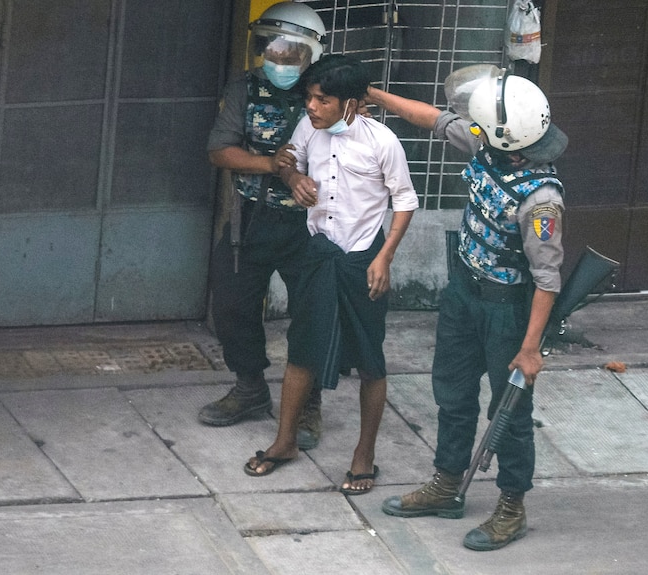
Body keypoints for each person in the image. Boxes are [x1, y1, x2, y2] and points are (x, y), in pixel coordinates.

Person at [363, 66, 568, 550]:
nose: (470, 124)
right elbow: (432, 118)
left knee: (509, 415)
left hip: (508, 313)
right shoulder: (487, 143)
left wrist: (530, 349)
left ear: (504, 134)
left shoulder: (541, 200)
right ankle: (446, 483)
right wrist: (370, 92)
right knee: (452, 395)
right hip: (463, 295)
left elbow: (547, 279)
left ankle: (510, 507)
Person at [243, 54, 419, 497]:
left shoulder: (382, 143)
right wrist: (292, 177)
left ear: (353, 104)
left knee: (369, 360)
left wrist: (386, 258)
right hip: (318, 254)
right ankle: (284, 443)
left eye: (323, 100)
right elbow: (288, 162)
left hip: (363, 259)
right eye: (310, 99)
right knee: (302, 348)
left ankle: (364, 455)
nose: (313, 108)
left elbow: (405, 202)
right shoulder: (308, 130)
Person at [200, 2, 327, 450]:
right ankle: (250, 387)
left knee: (312, 314)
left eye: (290, 53)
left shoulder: (326, 95)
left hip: (312, 226)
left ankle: (308, 402)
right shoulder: (246, 89)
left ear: (311, 54)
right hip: (250, 220)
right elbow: (220, 150)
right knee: (232, 305)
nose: (278, 61)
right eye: (270, 50)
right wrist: (272, 166)